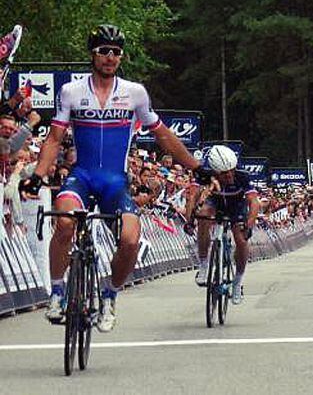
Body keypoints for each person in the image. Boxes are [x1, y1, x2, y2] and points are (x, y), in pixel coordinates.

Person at [20, 24, 210, 332]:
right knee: (65, 222)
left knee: (130, 240)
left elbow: (162, 135)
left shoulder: (135, 93)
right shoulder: (71, 91)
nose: (110, 57)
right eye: (104, 51)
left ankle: (110, 295)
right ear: (93, 55)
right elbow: (55, 138)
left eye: (116, 52)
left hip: (115, 182)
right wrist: (39, 175)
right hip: (82, 177)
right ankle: (57, 291)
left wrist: (195, 166)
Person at [185, 145, 259, 305]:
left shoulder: (242, 176)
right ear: (214, 171)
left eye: (232, 170)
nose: (230, 175)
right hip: (216, 202)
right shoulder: (205, 174)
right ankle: (204, 264)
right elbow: (193, 197)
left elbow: (254, 202)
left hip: (236, 204)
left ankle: (238, 281)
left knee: (241, 239)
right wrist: (189, 219)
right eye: (224, 173)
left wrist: (249, 224)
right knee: (203, 216)